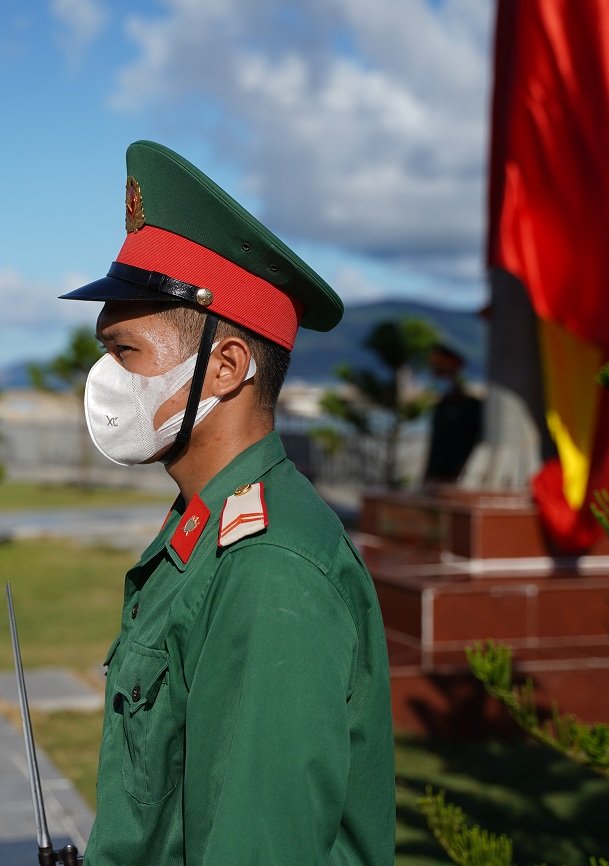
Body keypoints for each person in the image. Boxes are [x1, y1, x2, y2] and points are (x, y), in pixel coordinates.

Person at [59, 140, 395, 865]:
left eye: (125, 352)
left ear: (226, 365)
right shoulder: (205, 520)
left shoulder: (267, 570)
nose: (102, 378)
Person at [422, 341, 483, 486]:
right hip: (438, 476)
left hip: (459, 476)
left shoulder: (470, 405)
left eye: (440, 369)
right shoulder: (442, 405)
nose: (436, 375)